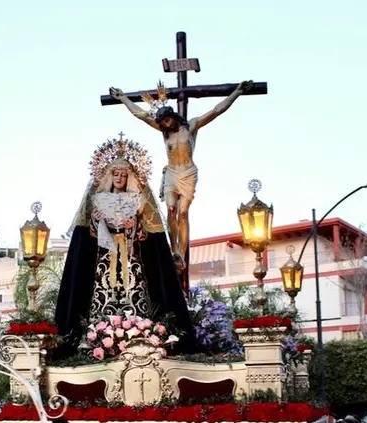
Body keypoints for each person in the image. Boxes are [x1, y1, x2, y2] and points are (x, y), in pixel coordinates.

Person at [54, 135, 193, 351]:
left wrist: (134, 225)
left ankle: (140, 329)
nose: (119, 178)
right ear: (108, 177)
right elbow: (88, 234)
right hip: (105, 257)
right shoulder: (98, 198)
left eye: (123, 175)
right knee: (103, 291)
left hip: (130, 255)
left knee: (135, 289)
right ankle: (97, 335)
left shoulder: (137, 199)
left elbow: (148, 235)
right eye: (115, 174)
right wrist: (97, 220)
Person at [108, 81, 253, 270]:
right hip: (171, 173)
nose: (166, 124)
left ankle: (181, 253)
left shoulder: (191, 126)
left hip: (188, 173)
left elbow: (216, 110)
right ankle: (174, 249)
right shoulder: (164, 133)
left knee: (183, 213)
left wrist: (237, 92)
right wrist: (123, 98)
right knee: (170, 209)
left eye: (168, 120)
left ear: (173, 116)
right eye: (163, 122)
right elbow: (140, 115)